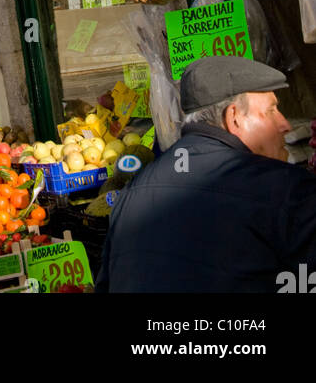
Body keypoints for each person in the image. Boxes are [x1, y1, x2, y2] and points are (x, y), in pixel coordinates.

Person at [95, 56, 316, 293]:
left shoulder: (132, 194)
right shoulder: (286, 189)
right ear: (234, 118)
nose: (285, 124)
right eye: (272, 111)